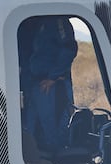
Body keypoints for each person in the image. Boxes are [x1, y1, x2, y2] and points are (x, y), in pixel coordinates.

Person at [18, 16, 78, 155]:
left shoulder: (57, 20)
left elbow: (68, 48)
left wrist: (53, 77)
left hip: (51, 85)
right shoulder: (29, 23)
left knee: (53, 132)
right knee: (31, 130)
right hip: (32, 84)